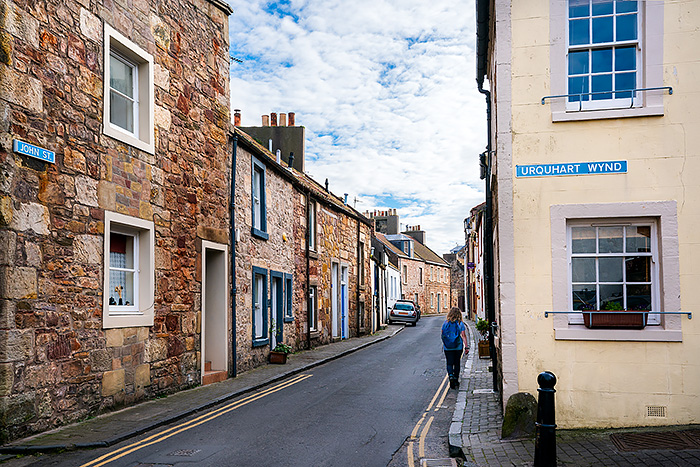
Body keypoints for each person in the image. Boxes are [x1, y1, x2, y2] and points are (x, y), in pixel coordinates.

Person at [441, 307, 468, 389]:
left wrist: (446, 343)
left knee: (449, 363)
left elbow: (442, 335)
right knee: (457, 363)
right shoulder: (460, 324)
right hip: (458, 346)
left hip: (447, 347)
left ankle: (451, 376)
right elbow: (463, 335)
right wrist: (466, 347)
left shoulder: (445, 323)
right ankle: (456, 379)